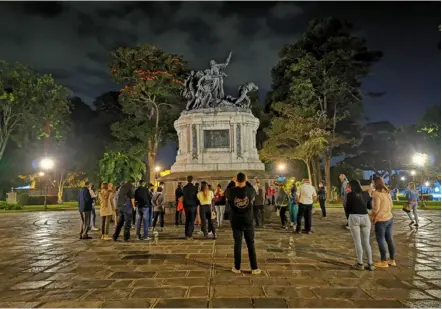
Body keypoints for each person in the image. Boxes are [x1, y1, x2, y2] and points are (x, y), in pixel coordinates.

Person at [225, 172, 261, 275]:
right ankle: (254, 268)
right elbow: (254, 190)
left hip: (236, 221)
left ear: (236, 180)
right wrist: (247, 181)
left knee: (238, 244)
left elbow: (225, 192)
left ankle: (237, 267)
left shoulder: (231, 192)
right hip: (248, 220)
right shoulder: (250, 191)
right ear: (245, 180)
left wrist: (232, 182)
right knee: (251, 244)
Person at [346, 180, 374, 271]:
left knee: (357, 242)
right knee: (366, 241)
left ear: (351, 186)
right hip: (365, 217)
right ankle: (370, 263)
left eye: (349, 186)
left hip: (354, 217)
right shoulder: (366, 194)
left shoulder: (350, 195)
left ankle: (360, 263)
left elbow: (348, 208)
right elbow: (369, 206)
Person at [371, 176, 396, 268]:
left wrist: (372, 217)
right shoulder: (387, 192)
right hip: (389, 218)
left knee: (380, 239)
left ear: (375, 183)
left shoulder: (376, 194)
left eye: (373, 182)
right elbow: (392, 204)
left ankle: (384, 261)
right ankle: (392, 260)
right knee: (389, 239)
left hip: (381, 220)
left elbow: (376, 208)